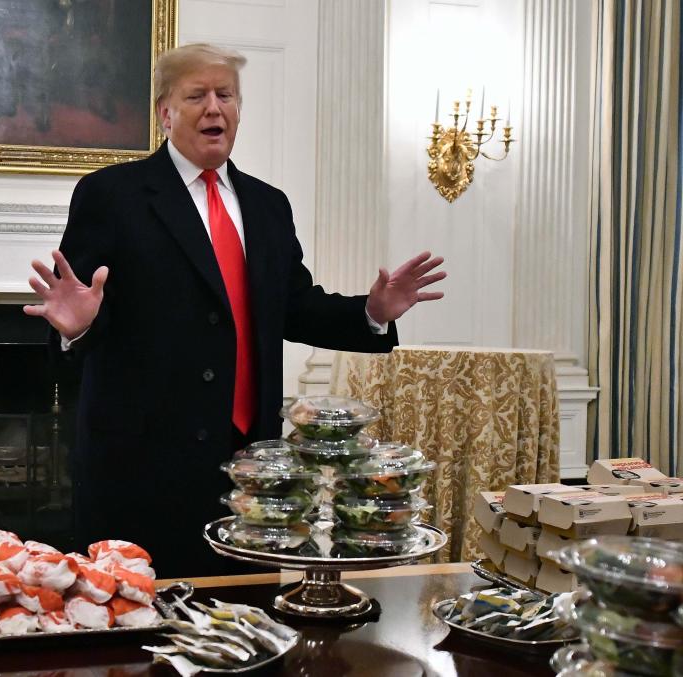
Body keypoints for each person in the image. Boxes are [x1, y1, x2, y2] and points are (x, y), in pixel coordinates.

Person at [24, 43, 445, 577]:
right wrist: (78, 329)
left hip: (251, 474)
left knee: (248, 627)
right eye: (196, 95)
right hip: (139, 471)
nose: (213, 107)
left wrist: (372, 310)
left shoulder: (269, 205)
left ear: (239, 110)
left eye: (226, 95)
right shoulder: (111, 194)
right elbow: (80, 313)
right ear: (165, 112)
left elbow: (293, 307)